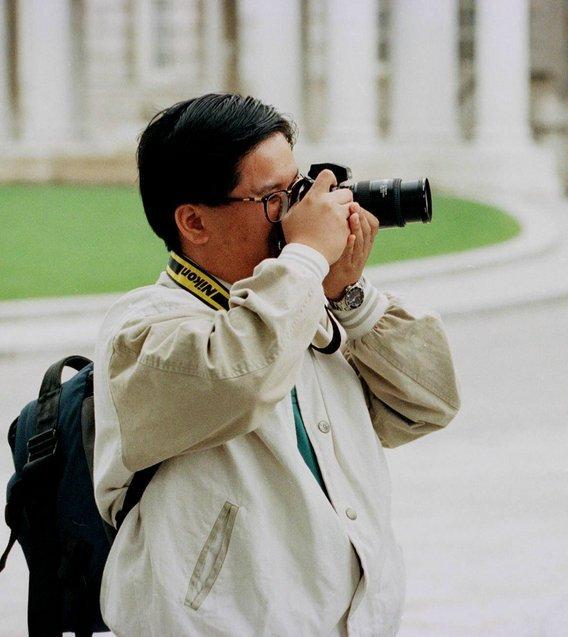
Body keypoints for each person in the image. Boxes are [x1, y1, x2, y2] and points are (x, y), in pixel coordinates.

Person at [92, 93, 460, 634]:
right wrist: (307, 259)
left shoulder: (300, 302)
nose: (294, 214)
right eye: (270, 198)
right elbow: (242, 374)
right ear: (194, 222)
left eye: (296, 189)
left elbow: (432, 402)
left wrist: (349, 295)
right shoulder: (143, 330)